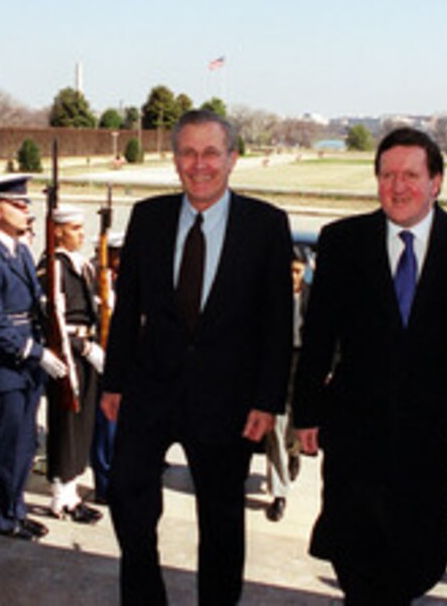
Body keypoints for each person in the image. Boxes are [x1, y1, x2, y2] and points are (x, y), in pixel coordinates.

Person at [293, 127, 447, 604]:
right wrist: (306, 411)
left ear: (437, 182)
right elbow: (318, 337)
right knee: (357, 566)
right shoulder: (343, 242)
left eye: (410, 174)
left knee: (414, 566)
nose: (397, 186)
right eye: (387, 175)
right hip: (355, 441)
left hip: (427, 443)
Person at [102, 108, 293, 605]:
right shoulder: (149, 218)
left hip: (227, 399)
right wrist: (114, 381)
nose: (199, 164)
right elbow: (127, 311)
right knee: (125, 493)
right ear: (174, 159)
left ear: (232, 158)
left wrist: (268, 401)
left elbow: (278, 326)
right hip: (150, 389)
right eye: (188, 152)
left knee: (222, 520)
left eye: (211, 152)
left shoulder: (266, 226)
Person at [0, 175, 64, 540]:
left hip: (29, 360)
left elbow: (35, 305)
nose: (27, 209)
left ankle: (17, 510)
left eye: (26, 203)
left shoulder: (21, 251)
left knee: (26, 442)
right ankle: (2, 516)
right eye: (18, 204)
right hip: (8, 363)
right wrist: (36, 352)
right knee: (5, 444)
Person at [38, 205, 103, 524]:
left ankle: (72, 492)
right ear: (59, 231)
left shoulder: (81, 265)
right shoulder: (52, 266)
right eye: (75, 228)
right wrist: (82, 347)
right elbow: (52, 319)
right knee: (66, 423)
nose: (82, 234)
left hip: (86, 350)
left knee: (82, 423)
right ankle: (60, 496)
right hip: (68, 353)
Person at [264, 247, 310, 522]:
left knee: (294, 427)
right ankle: (279, 493)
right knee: (276, 431)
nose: (292, 277)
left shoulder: (313, 298)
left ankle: (295, 454)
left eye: (297, 272)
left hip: (303, 369)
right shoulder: (271, 298)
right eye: (288, 271)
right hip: (278, 368)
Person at [90, 230, 124, 505]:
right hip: (101, 360)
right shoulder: (94, 279)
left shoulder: (126, 281)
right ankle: (104, 483)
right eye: (119, 256)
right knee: (105, 427)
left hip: (126, 363)